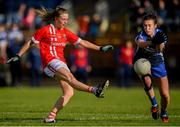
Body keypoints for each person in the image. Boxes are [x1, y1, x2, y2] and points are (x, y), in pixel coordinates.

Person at [6, 5, 113, 123]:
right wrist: (18, 55)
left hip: (61, 63)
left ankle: (50, 117)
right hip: (50, 62)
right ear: (56, 19)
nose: (65, 22)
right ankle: (95, 90)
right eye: (63, 19)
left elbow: (82, 42)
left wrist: (100, 48)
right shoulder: (45, 30)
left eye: (67, 19)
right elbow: (30, 43)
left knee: (69, 92)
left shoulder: (66, 32)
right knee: (70, 77)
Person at [133, 12, 170, 123]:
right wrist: (151, 42)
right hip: (142, 59)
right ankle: (154, 104)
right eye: (145, 25)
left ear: (155, 25)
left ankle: (163, 110)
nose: (147, 28)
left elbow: (159, 50)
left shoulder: (161, 35)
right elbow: (140, 43)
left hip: (157, 60)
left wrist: (158, 42)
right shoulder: (141, 35)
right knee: (146, 79)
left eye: (149, 25)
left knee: (165, 95)